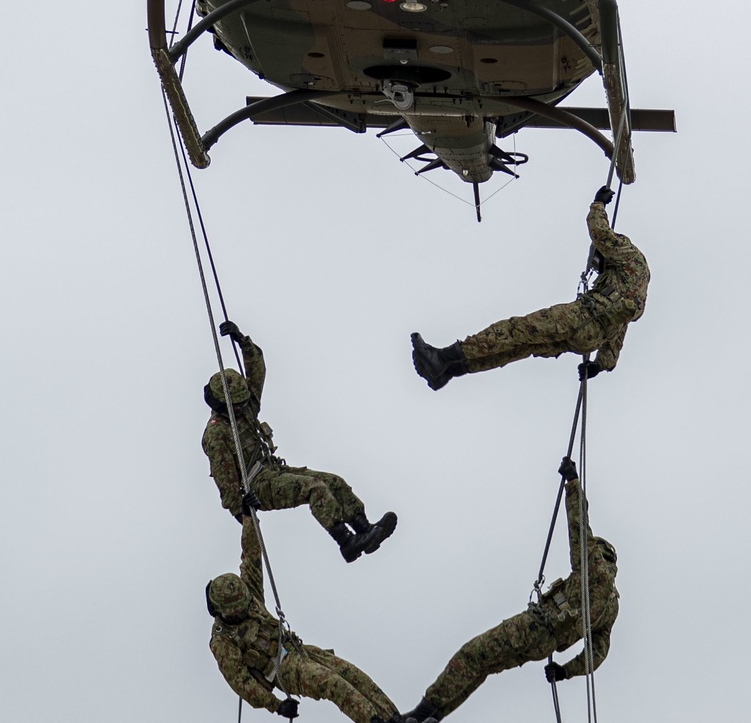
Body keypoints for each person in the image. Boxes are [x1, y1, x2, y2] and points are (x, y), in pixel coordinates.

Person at [400, 458, 618, 723]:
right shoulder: (611, 607)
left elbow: (579, 529)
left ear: (602, 553)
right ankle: (428, 722)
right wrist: (565, 671)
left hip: (534, 627)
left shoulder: (592, 564)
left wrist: (573, 484)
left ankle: (417, 716)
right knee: (484, 668)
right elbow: (597, 654)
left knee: (471, 656)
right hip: (542, 647)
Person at [208, 517, 438, 723]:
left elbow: (251, 554)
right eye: (240, 608)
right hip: (281, 670)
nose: (247, 608)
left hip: (299, 650)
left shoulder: (248, 593)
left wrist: (248, 516)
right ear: (224, 610)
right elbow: (241, 683)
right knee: (331, 683)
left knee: (351, 674)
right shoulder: (223, 641)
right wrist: (276, 705)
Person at [410, 187, 649, 390]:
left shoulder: (629, 255)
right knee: (520, 347)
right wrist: (601, 364)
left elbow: (601, 235)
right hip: (589, 339)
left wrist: (598, 205)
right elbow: (620, 328)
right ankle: (448, 371)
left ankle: (442, 359)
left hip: (582, 318)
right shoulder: (635, 288)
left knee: (515, 331)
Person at [204, 321, 396, 562]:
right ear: (225, 405)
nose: (246, 404)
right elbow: (225, 480)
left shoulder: (244, 409)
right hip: (258, 485)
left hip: (273, 470)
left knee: (333, 482)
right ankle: (346, 541)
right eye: (239, 403)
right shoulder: (218, 433)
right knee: (315, 488)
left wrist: (243, 341)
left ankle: (364, 529)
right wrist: (241, 509)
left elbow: (257, 372)